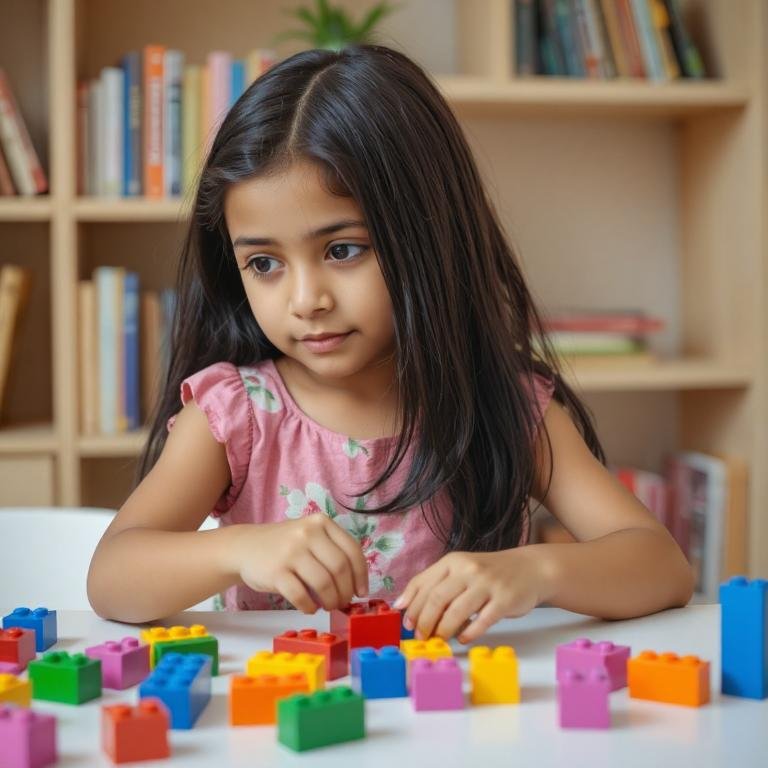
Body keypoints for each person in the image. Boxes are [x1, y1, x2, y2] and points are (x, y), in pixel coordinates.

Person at [87, 44, 694, 641]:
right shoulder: (237, 417)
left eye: (342, 250)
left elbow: (660, 566)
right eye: (265, 264)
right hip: (285, 727)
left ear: (428, 236)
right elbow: (112, 577)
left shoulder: (505, 409)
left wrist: (535, 572)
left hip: (463, 725)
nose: (306, 300)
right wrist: (239, 548)